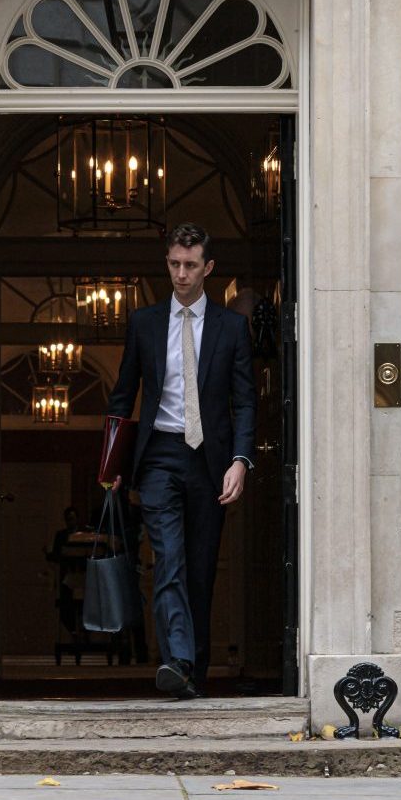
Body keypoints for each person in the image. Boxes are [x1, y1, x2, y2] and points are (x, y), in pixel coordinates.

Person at [105, 223, 256, 699]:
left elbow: (245, 402)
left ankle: (195, 668)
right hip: (159, 456)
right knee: (167, 559)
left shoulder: (232, 328)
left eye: (191, 265)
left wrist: (241, 461)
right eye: (174, 264)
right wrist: (110, 465)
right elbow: (123, 396)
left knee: (199, 569)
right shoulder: (144, 323)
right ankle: (177, 660)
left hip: (210, 461)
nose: (181, 274)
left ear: (207, 268)